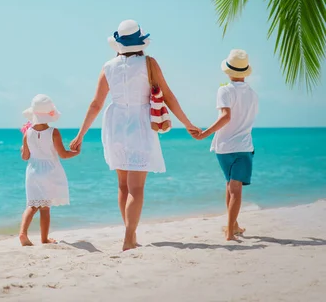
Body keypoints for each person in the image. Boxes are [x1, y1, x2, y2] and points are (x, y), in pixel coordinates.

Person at [70, 20, 198, 251]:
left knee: (123, 186)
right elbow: (168, 96)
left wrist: (80, 135)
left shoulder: (108, 66)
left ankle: (131, 234)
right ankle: (129, 238)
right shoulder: (149, 63)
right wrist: (188, 124)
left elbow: (96, 104)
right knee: (136, 188)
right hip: (140, 123)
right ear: (140, 42)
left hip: (115, 124)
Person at [192, 49, 258, 241]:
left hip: (223, 147)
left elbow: (226, 117)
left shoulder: (224, 90)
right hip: (244, 147)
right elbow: (235, 118)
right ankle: (230, 231)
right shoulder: (253, 95)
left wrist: (204, 133)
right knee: (235, 188)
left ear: (228, 71)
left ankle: (233, 227)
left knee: (230, 186)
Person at [19, 94, 79, 246]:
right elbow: (63, 155)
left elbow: (25, 157)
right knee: (45, 208)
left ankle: (23, 233)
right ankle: (44, 239)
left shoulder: (27, 133)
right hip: (49, 171)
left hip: (32, 171)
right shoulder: (54, 132)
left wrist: (22, 149)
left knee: (32, 205)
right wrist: (76, 152)